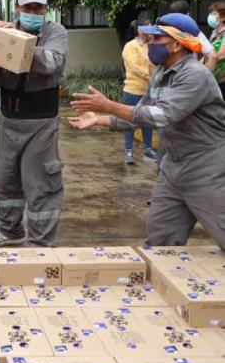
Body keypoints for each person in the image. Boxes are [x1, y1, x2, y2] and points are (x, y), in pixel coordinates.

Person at [70, 13, 225, 249]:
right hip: (173, 166)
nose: (149, 44)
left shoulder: (195, 75)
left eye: (156, 40)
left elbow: (162, 116)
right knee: (161, 240)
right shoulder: (161, 74)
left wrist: (109, 105)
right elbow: (142, 112)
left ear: (176, 44)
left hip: (206, 168)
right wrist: (101, 118)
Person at [0, 0, 68, 247]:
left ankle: (41, 243)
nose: (32, 11)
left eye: (38, 8)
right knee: (4, 182)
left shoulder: (56, 32)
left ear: (45, 9)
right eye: (27, 6)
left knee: (41, 184)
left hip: (40, 121)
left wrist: (16, 40)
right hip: (9, 120)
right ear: (17, 7)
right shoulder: (2, 32)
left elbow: (51, 62)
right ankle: (11, 232)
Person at [121, 19, 156, 164]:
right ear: (140, 31)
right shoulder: (130, 46)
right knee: (130, 121)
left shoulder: (150, 46)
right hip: (133, 90)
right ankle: (128, 151)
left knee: (148, 121)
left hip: (148, 90)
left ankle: (148, 150)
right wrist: (152, 76)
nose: (151, 32)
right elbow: (134, 67)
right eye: (148, 29)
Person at [205, 2, 225, 97]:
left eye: (213, 14)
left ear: (223, 17)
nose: (210, 17)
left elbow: (220, 55)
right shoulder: (214, 33)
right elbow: (206, 53)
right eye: (210, 14)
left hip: (222, 79)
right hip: (214, 78)